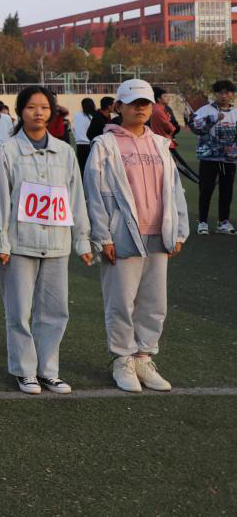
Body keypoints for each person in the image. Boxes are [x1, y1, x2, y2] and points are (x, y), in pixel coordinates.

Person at [84, 79, 189, 393]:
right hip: (123, 234)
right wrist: (103, 236)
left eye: (145, 103)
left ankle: (144, 357)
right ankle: (123, 359)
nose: (140, 108)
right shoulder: (105, 145)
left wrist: (179, 230)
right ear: (119, 107)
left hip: (158, 232)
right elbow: (95, 194)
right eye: (133, 103)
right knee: (121, 301)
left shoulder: (159, 144)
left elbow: (174, 190)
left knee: (155, 302)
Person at [0, 85, 91, 395]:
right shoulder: (7, 150)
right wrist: (0, 238)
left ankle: (48, 371)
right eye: (32, 107)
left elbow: (76, 197)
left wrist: (82, 240)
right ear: (21, 111)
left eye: (44, 107)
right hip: (19, 244)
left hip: (57, 244)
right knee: (19, 312)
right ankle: (24, 370)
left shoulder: (65, 151)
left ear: (52, 111)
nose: (38, 113)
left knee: (55, 312)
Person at [188, 79, 237, 235]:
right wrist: (214, 118)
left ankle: (223, 222)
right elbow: (195, 127)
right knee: (206, 190)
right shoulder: (205, 110)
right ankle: (203, 222)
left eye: (228, 92)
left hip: (230, 159)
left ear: (233, 95)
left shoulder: (235, 112)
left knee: (227, 191)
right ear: (215, 94)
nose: (224, 95)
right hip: (208, 158)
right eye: (220, 92)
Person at [151, 86, 198, 184]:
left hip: (160, 142)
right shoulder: (159, 110)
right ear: (158, 99)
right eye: (165, 96)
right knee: (179, 165)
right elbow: (171, 127)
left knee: (170, 167)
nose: (168, 98)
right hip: (164, 143)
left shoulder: (157, 108)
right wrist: (173, 129)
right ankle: (199, 180)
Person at [73, 98, 98, 174]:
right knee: (93, 168)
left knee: (82, 169)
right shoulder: (95, 115)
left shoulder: (77, 115)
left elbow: (74, 129)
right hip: (92, 144)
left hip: (80, 145)